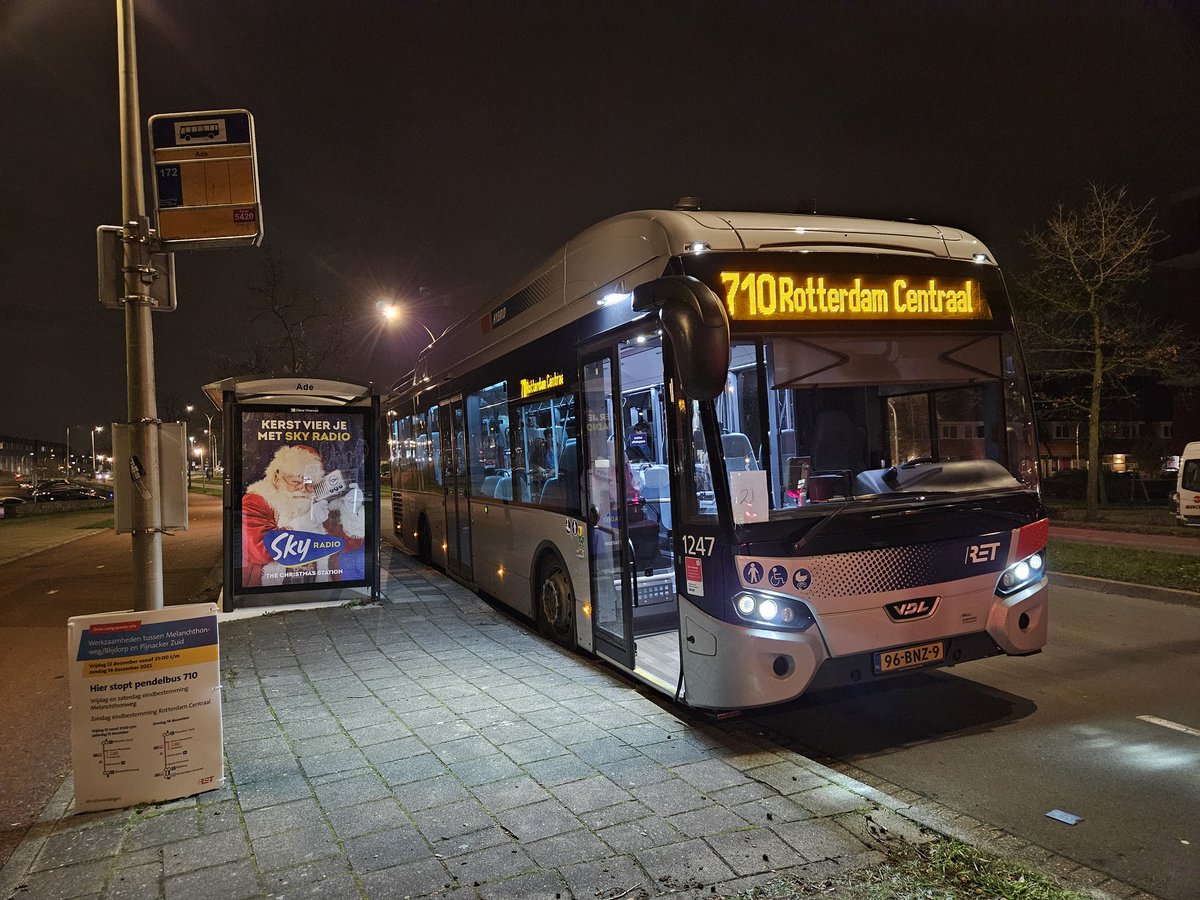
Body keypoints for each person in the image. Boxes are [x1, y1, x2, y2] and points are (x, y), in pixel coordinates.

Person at [241, 444, 365, 588]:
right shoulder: (256, 501)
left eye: (309, 484)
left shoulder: (319, 503)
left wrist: (350, 511)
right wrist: (306, 522)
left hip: (320, 587)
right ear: (276, 478)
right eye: (295, 482)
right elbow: (259, 551)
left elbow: (349, 543)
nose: (303, 489)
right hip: (267, 590)